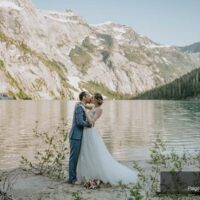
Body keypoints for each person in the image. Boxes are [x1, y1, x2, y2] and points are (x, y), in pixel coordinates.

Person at [77, 93, 138, 185]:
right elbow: (83, 105)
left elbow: (92, 122)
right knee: (87, 153)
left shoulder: (99, 110)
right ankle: (90, 174)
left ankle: (97, 175)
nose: (91, 99)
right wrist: (80, 105)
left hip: (91, 132)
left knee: (94, 153)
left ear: (97, 100)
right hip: (86, 132)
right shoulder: (93, 107)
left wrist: (85, 112)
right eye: (91, 97)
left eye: (93, 98)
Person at [67, 91, 93, 184]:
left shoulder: (81, 106)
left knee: (77, 157)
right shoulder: (79, 107)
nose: (90, 98)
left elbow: (93, 106)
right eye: (88, 96)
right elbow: (79, 122)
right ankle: (72, 179)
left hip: (80, 136)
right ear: (84, 97)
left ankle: (74, 176)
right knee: (73, 158)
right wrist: (89, 124)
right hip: (75, 136)